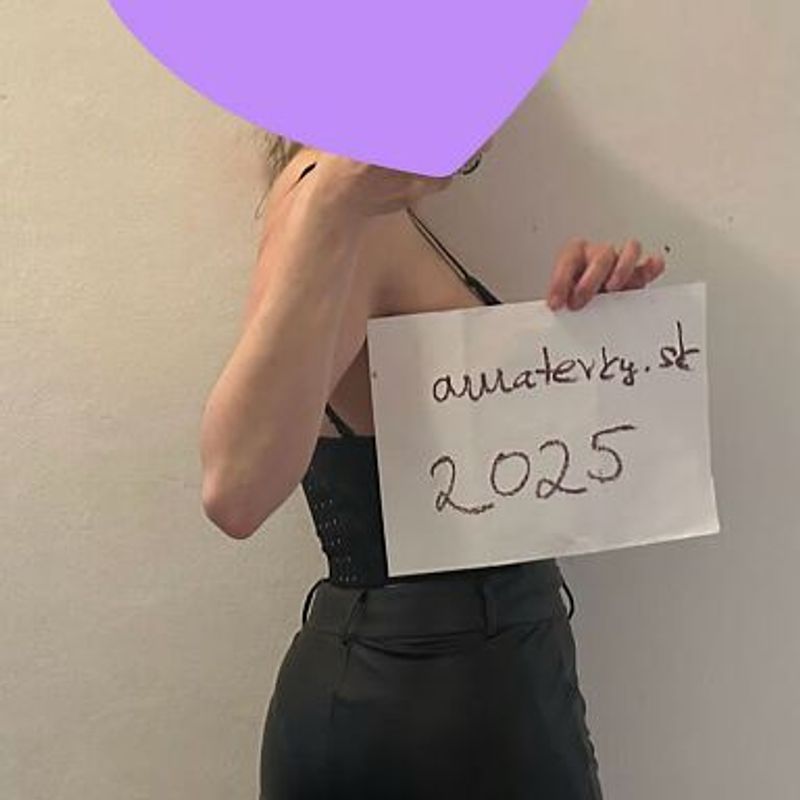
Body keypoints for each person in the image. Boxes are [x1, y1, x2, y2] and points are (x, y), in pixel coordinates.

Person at [199, 135, 666, 799]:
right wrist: (330, 198)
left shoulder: (371, 208)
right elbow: (235, 490)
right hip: (426, 695)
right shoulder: (334, 196)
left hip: (471, 678)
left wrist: (592, 342)